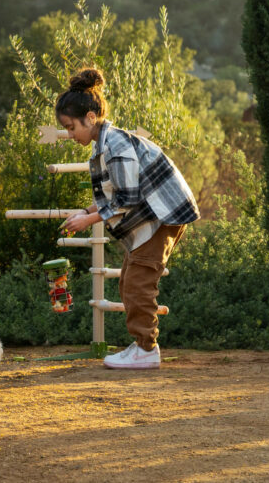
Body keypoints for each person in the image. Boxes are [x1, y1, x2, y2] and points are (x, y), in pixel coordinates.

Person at [57, 68, 199, 370]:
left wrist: (88, 221)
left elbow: (128, 198)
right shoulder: (106, 145)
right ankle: (142, 346)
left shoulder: (115, 146)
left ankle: (146, 349)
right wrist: (86, 213)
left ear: (91, 117)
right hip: (156, 214)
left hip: (164, 214)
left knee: (138, 282)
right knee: (129, 280)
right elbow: (117, 196)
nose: (70, 135)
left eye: (71, 128)